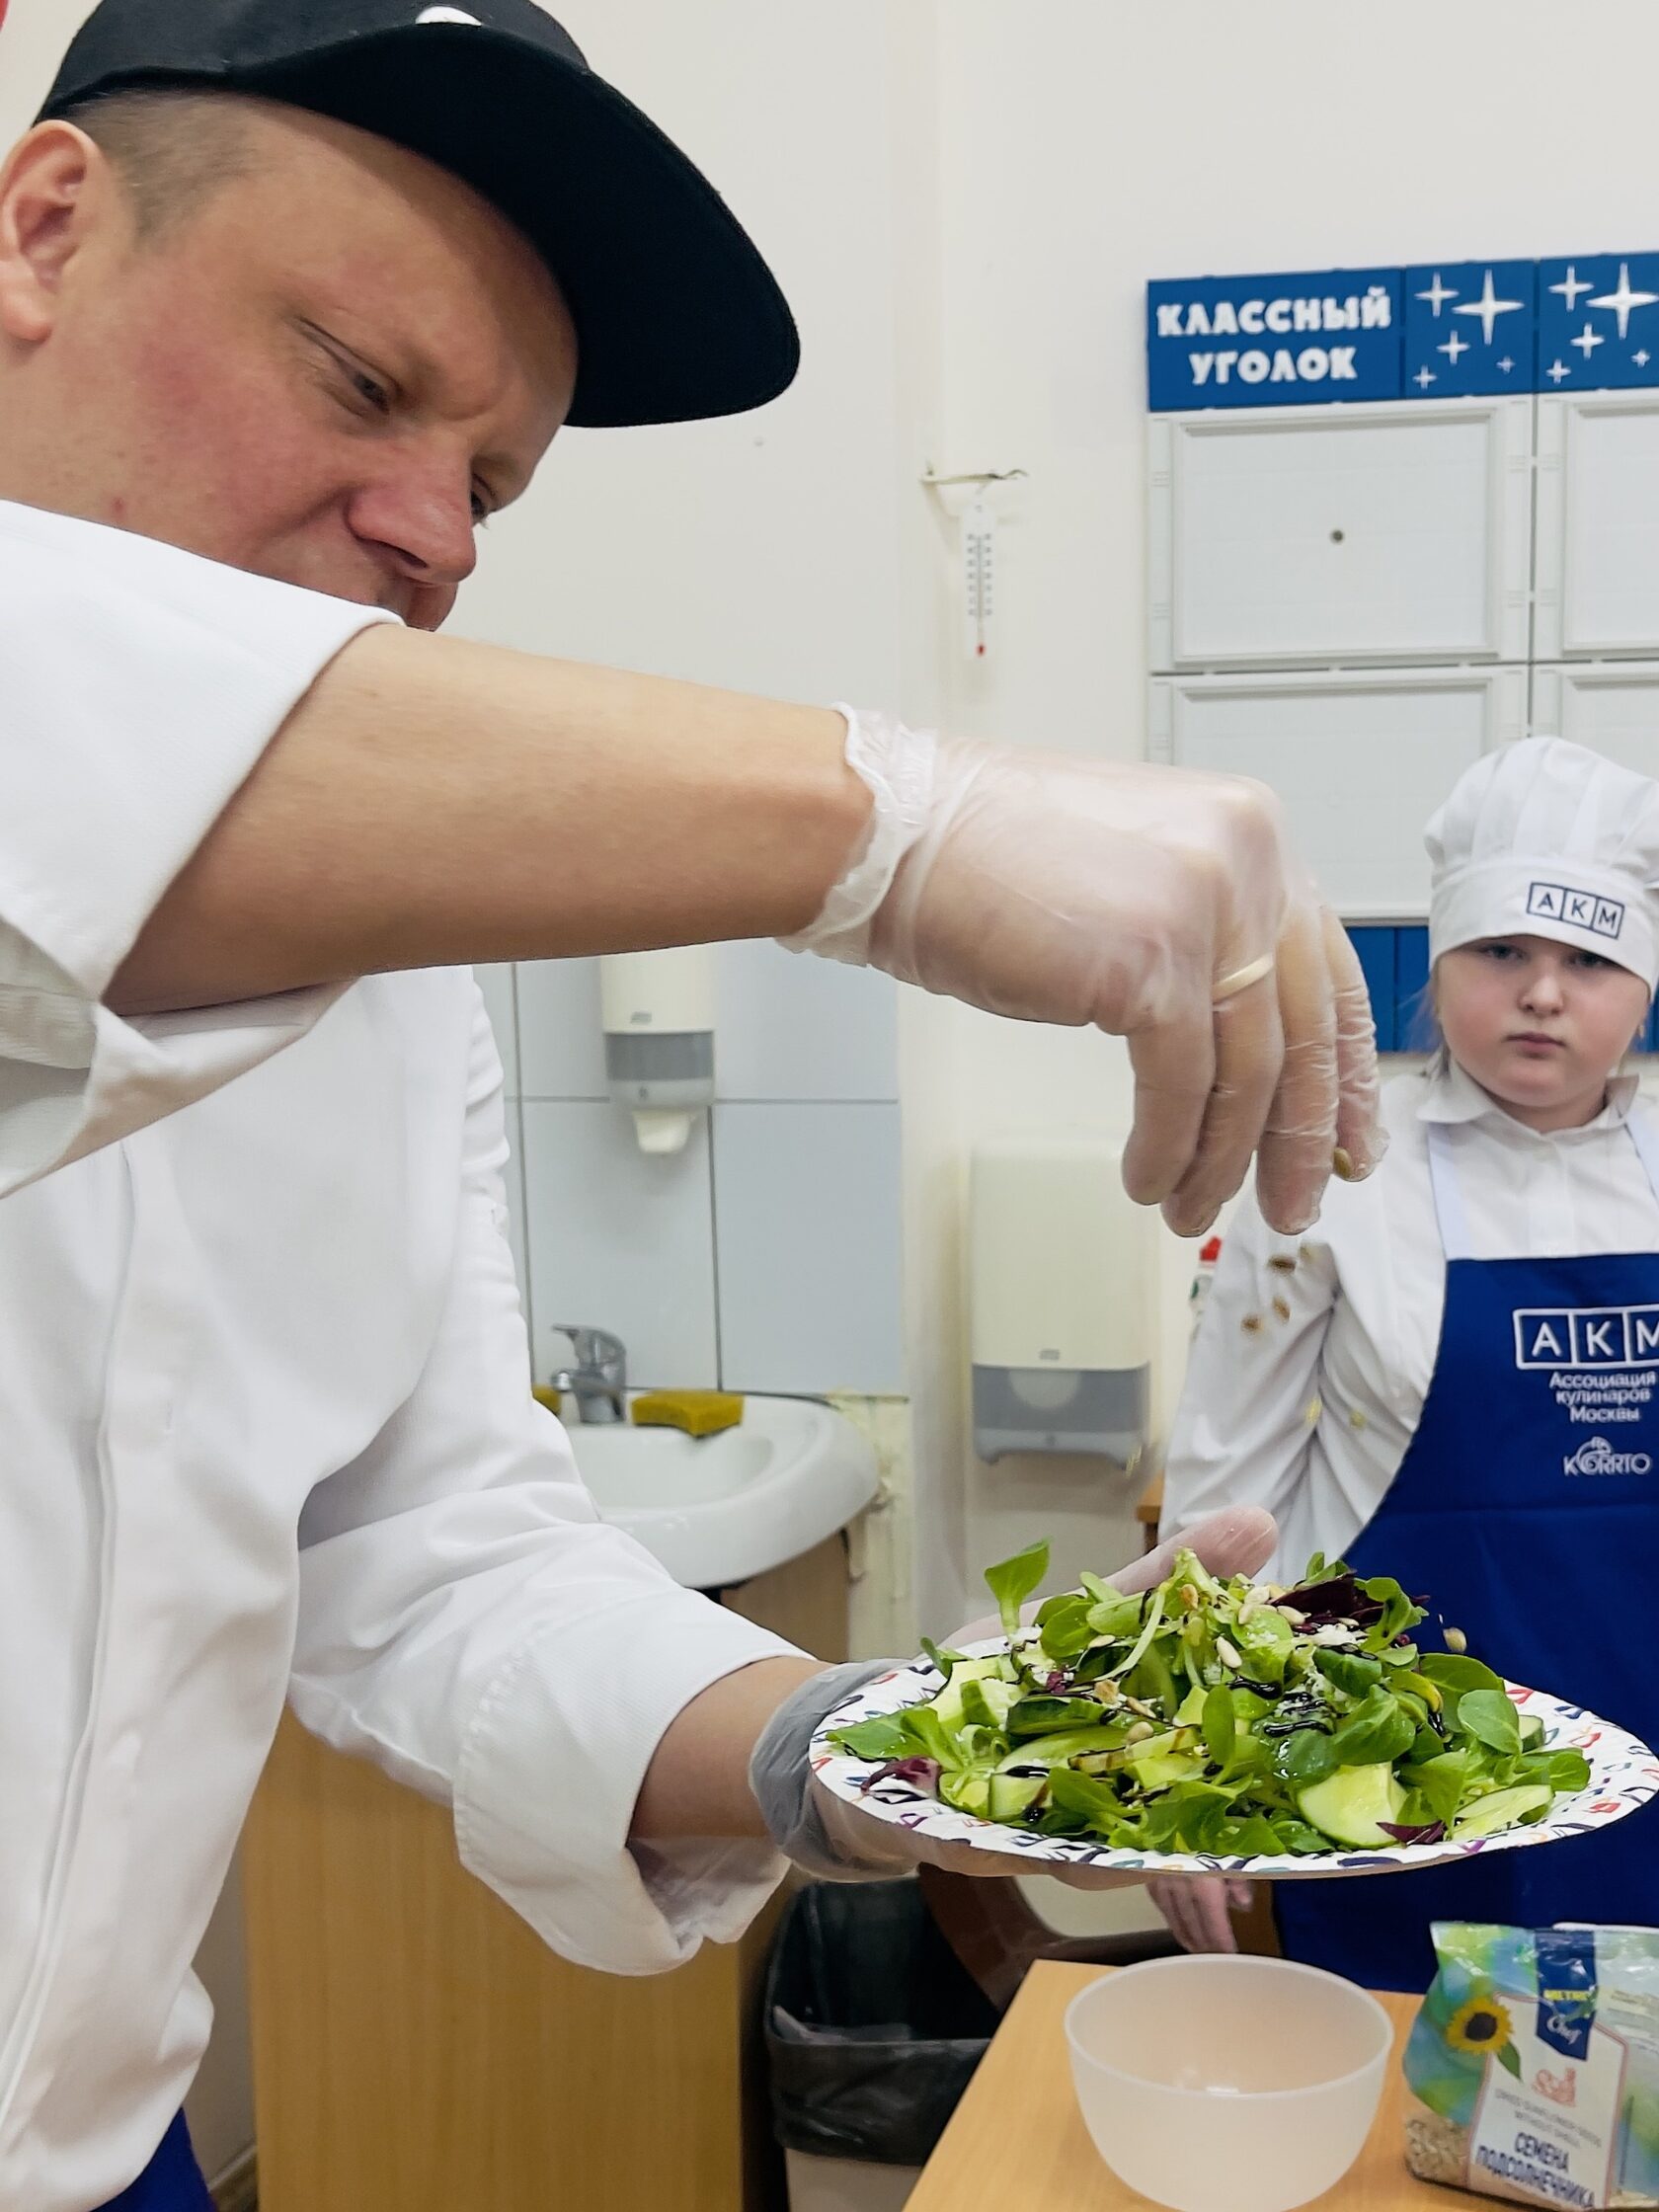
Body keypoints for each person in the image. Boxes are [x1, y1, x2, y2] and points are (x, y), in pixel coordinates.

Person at [0, 2, 1382, 2204]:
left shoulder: (390, 986)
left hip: (97, 2144)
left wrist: (886, 1748)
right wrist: (891, 825)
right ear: (43, 229)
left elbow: (433, 1554)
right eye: (358, 382)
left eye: (492, 485)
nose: (434, 537)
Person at [1151, 737, 1659, 1988]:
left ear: (1643, 983)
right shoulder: (1330, 1167)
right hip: (1394, 1741)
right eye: (1503, 952)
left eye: (1589, 959)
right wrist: (1183, 1749)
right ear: (1438, 966)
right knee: (1403, 2066)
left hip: (1646, 1721)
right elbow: (1229, 1481)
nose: (1544, 993)